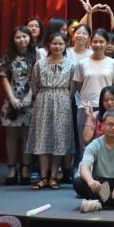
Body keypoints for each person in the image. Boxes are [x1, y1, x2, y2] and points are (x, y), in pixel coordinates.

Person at [27, 32, 75, 191]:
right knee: (42, 138)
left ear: (65, 45)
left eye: (60, 44)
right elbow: (34, 85)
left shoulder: (71, 65)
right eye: (54, 43)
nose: (57, 46)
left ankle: (53, 177)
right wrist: (44, 96)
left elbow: (73, 87)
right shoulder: (39, 64)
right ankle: (43, 177)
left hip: (62, 102)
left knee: (59, 139)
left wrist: (62, 97)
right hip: (43, 101)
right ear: (48, 45)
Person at [75, 110, 114, 211]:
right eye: (110, 124)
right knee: (78, 182)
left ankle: (99, 203)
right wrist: (90, 180)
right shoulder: (94, 144)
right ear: (103, 126)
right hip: (101, 185)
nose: (113, 128)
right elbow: (84, 166)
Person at [0, 26, 36, 185]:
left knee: (27, 136)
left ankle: (25, 168)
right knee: (11, 136)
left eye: (25, 36)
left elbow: (37, 78)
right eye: (18, 37)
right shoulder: (7, 56)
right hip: (11, 100)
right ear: (13, 40)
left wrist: (29, 96)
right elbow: (4, 78)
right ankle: (12, 169)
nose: (22, 40)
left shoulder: (36, 55)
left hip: (30, 100)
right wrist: (12, 98)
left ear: (30, 38)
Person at [75, 30, 114, 151]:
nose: (98, 44)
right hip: (86, 107)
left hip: (107, 107)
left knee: (106, 145)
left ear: (107, 43)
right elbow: (79, 86)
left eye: (101, 41)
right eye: (95, 41)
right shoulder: (82, 63)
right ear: (90, 42)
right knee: (85, 144)